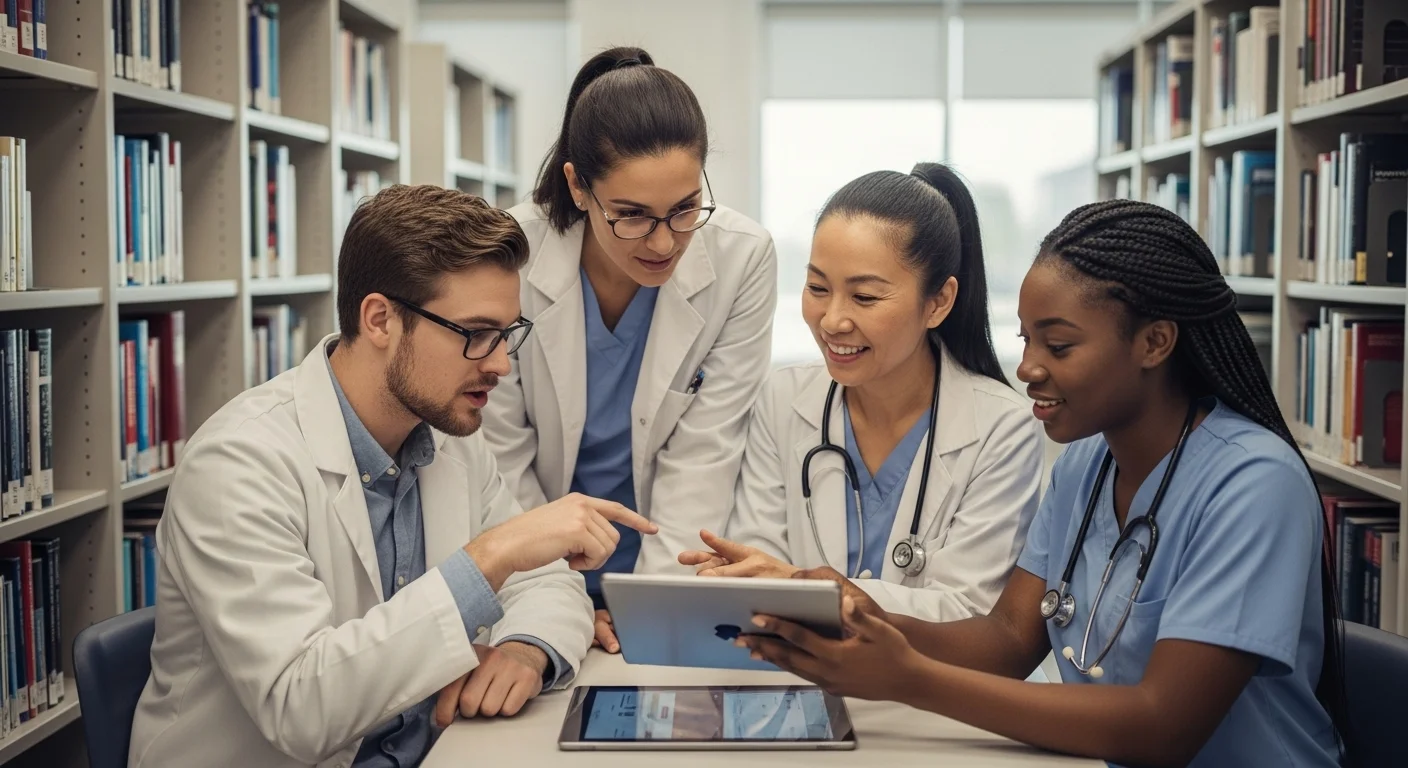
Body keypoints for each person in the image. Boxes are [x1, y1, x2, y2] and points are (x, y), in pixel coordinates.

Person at [737, 199, 1349, 768]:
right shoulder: (1086, 462)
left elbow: (1163, 725)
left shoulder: (1253, 485)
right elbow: (1007, 640)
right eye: (1027, 339)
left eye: (1058, 345)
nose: (1027, 368)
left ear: (1155, 342)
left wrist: (908, 677)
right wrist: (869, 619)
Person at [128, 185, 659, 768]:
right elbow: (300, 707)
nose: (502, 363)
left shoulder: (448, 438)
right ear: (380, 319)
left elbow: (549, 585)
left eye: (507, 334)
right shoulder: (239, 463)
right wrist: (491, 556)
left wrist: (526, 649)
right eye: (476, 334)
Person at [484, 46, 777, 653]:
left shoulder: (741, 258)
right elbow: (501, 456)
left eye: (685, 208)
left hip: (668, 565)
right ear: (578, 186)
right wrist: (555, 602)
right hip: (532, 565)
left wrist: (655, 609)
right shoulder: (511, 255)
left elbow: (705, 452)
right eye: (632, 215)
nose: (665, 242)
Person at [677, 164, 1044, 622]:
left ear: (938, 302)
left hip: (922, 692)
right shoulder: (784, 398)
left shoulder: (1001, 429)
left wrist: (799, 585)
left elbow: (967, 612)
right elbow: (757, 567)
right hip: (794, 677)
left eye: (865, 298)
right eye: (817, 288)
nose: (832, 320)